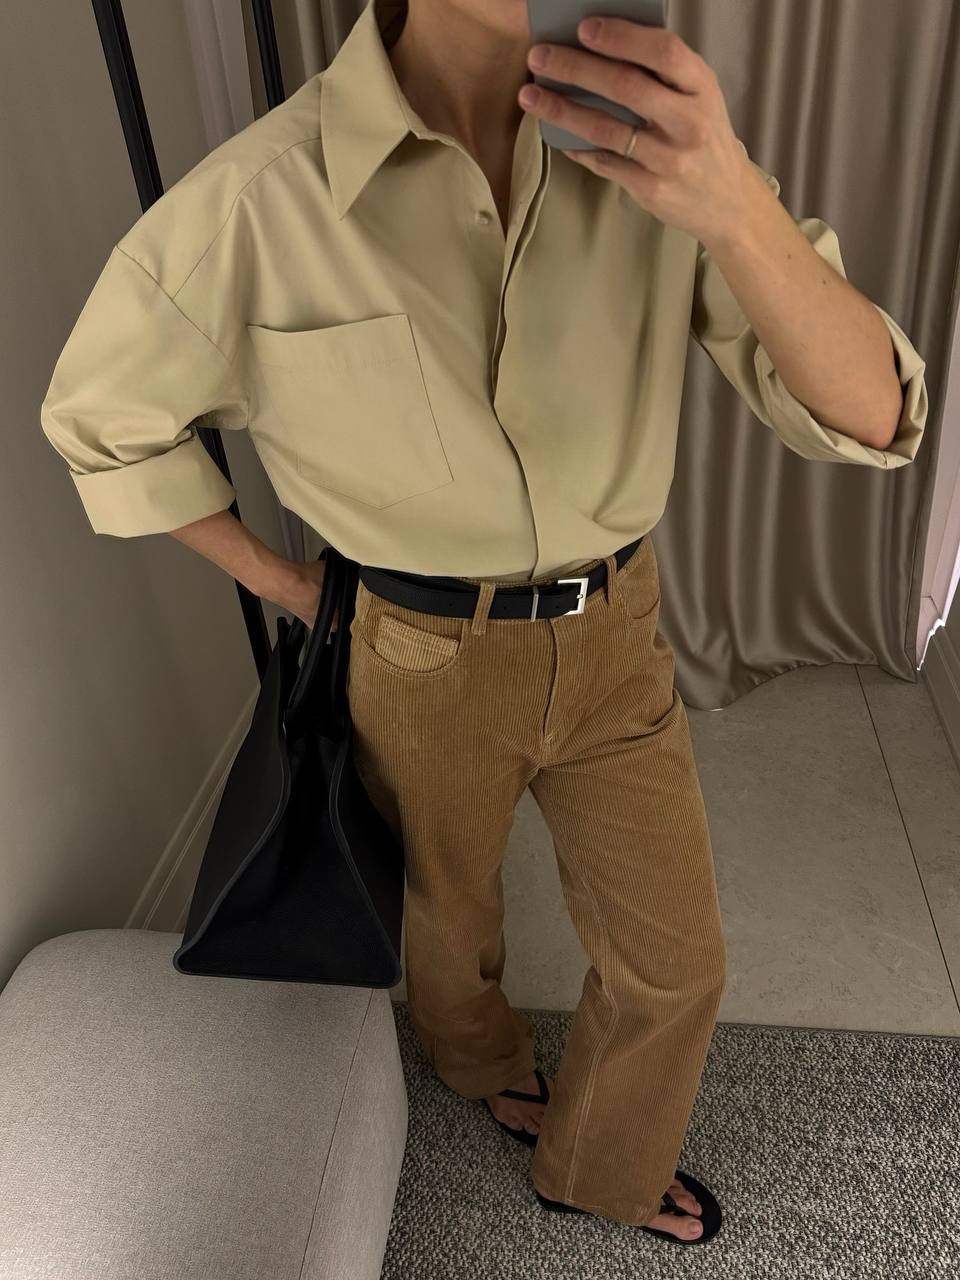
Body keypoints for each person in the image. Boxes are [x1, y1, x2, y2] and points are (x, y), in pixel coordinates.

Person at [39, 0, 927, 1247]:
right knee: (448, 917)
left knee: (678, 956)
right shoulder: (262, 198)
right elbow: (100, 422)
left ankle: (600, 1167)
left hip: (616, 630)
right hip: (418, 652)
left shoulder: (666, 162)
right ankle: (480, 1062)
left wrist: (734, 201)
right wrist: (291, 586)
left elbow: (875, 414)